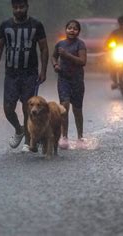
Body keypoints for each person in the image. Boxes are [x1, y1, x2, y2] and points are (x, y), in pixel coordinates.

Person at [0, 0, 48, 152]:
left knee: (28, 107)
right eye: (15, 8)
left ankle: (29, 141)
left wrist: (43, 70)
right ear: (12, 8)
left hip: (29, 73)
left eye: (21, 7)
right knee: (8, 108)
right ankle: (19, 129)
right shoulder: (5, 25)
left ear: (27, 7)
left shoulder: (36, 25)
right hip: (11, 73)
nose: (18, 10)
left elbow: (44, 48)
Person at [52, 20, 87, 149]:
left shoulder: (80, 45)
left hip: (77, 80)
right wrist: (55, 65)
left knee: (77, 110)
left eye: (75, 29)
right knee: (64, 107)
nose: (72, 30)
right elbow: (54, 56)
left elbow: (83, 61)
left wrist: (67, 55)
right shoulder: (60, 44)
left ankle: (80, 138)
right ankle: (64, 137)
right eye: (69, 28)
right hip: (63, 80)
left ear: (78, 32)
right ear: (65, 29)